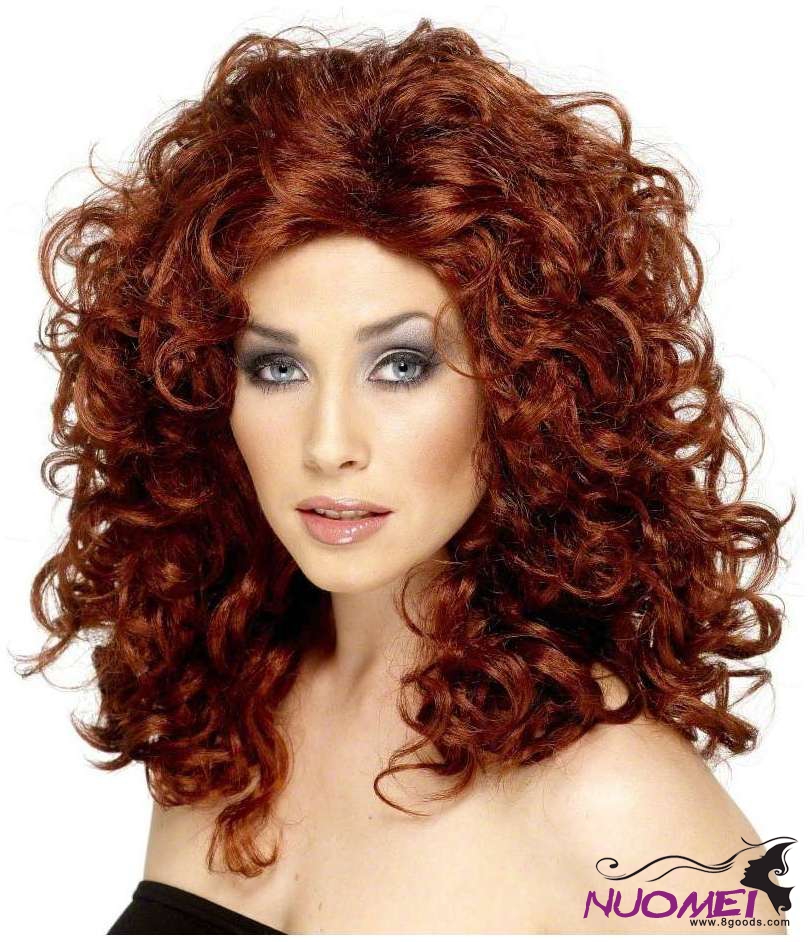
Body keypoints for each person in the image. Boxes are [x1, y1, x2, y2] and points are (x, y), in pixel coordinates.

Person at [17, 18, 794, 934]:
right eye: (276, 368)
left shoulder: (621, 805)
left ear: (528, 388)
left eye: (400, 366)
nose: (328, 443)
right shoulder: (224, 722)